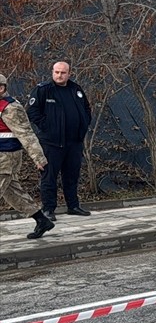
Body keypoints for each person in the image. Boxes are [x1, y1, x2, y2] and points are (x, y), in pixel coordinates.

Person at [27, 61, 91, 222]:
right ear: (52, 72)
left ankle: (73, 206)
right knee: (49, 177)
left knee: (72, 176)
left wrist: (83, 124)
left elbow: (86, 109)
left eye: (63, 72)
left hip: (74, 142)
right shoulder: (43, 90)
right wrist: (47, 126)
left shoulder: (76, 89)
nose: (59, 75)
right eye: (57, 72)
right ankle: (48, 209)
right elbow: (32, 111)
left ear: (69, 73)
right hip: (52, 143)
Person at [0, 74, 54, 239]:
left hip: (6, 157)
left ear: (1, 88)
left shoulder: (11, 108)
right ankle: (42, 221)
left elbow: (26, 134)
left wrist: (38, 158)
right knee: (13, 193)